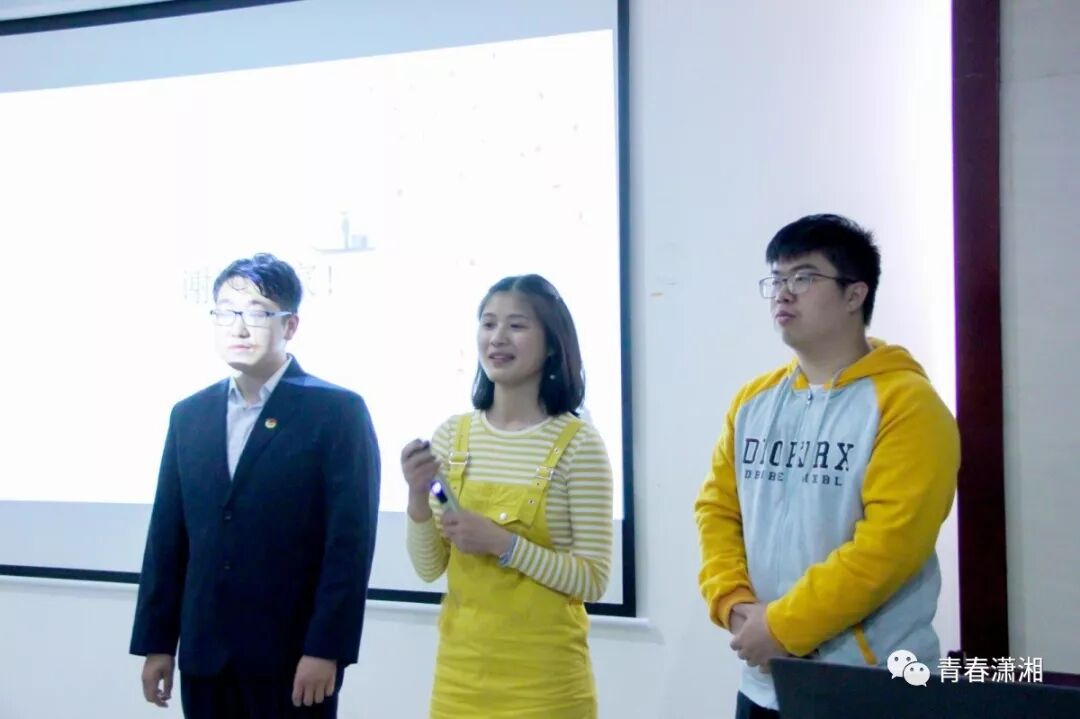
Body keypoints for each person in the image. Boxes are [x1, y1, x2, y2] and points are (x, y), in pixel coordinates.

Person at [694, 215, 960, 718]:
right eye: (776, 278)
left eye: (804, 277)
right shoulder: (753, 401)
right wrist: (734, 603)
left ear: (855, 294)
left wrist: (783, 627)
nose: (782, 293)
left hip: (868, 684)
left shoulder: (908, 405)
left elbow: (888, 548)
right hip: (764, 682)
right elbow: (717, 511)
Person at [130, 253, 380, 718]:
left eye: (258, 313)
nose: (239, 327)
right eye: (226, 312)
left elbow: (349, 544)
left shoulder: (336, 411)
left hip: (292, 659)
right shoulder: (189, 414)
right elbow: (167, 538)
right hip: (206, 657)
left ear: (291, 325)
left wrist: (326, 648)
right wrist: (157, 643)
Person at [401, 274, 614, 718]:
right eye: (488, 323)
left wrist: (502, 543)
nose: (497, 337)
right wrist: (418, 497)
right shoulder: (452, 437)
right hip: (459, 683)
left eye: (516, 325)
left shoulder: (579, 444)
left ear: (551, 343)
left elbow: (592, 580)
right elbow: (429, 568)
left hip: (547, 689)